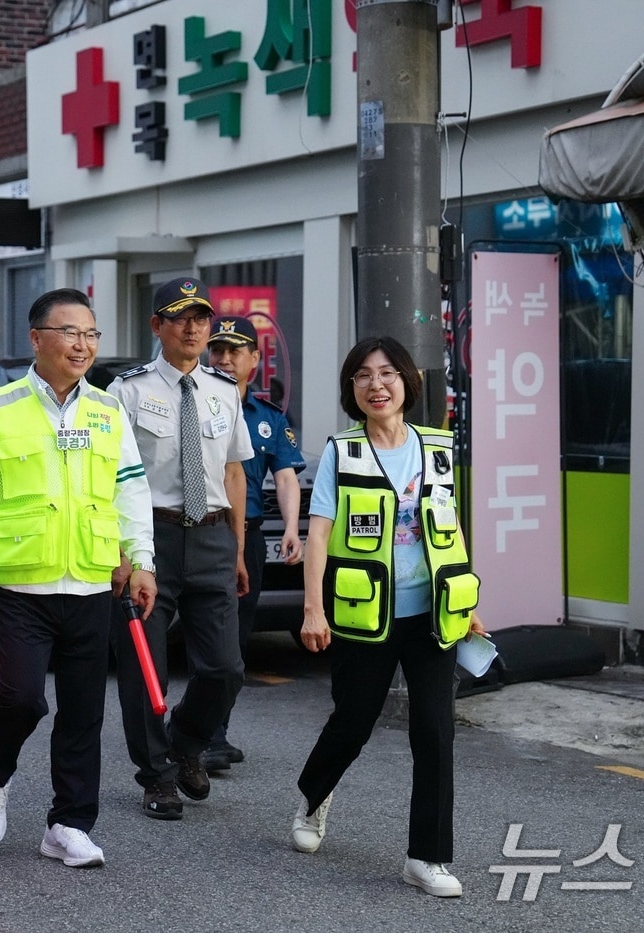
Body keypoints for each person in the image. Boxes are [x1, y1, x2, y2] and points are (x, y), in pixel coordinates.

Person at [0, 288, 157, 868]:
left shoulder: (109, 411)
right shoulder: (0, 406)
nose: (83, 345)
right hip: (22, 584)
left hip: (91, 580)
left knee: (84, 711)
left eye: (91, 334)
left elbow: (130, 488)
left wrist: (142, 560)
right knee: (21, 697)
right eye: (71, 333)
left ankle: (68, 824)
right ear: (38, 338)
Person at [291, 335, 484, 899]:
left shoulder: (437, 448)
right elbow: (319, 534)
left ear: (407, 382)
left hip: (430, 615)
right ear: (353, 390)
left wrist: (466, 603)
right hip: (362, 613)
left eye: (388, 373)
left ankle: (427, 858)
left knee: (435, 731)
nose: (377, 384)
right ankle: (311, 796)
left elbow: (450, 529)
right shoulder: (341, 452)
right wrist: (313, 607)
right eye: (364, 376)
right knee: (353, 722)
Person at [107, 277, 253, 821]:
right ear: (157, 326)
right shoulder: (128, 391)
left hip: (213, 536)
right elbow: (110, 479)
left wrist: (236, 548)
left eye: (201, 317)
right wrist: (123, 553)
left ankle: (187, 740)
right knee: (146, 667)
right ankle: (157, 777)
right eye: (179, 317)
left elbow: (233, 471)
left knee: (225, 668)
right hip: (150, 539)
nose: (192, 327)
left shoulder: (223, 389)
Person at [203, 316, 305, 771]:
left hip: (244, 539)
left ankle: (212, 732)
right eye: (218, 350)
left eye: (235, 351)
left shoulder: (268, 419)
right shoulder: (194, 402)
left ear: (254, 361)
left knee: (235, 641)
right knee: (199, 636)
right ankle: (182, 730)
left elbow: (284, 476)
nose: (225, 359)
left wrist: (288, 526)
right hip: (194, 529)